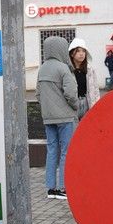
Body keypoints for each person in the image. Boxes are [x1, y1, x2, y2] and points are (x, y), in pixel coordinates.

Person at [37, 36, 78, 199]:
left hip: (48, 118)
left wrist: (47, 109)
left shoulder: (42, 69)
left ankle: (51, 188)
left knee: (52, 150)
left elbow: (38, 94)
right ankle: (63, 187)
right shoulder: (63, 68)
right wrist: (75, 107)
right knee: (66, 152)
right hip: (65, 117)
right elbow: (70, 93)